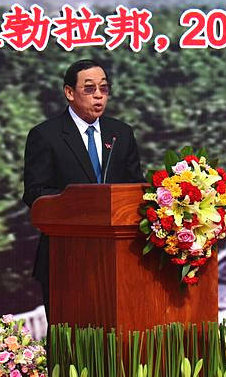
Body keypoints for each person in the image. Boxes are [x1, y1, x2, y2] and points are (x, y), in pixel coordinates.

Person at [23, 59, 144, 321]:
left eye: (104, 88)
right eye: (89, 89)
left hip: (118, 258)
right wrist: (83, 204)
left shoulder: (121, 134)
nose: (99, 95)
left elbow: (136, 189)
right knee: (71, 336)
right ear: (69, 92)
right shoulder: (46, 135)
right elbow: (35, 192)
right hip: (65, 257)